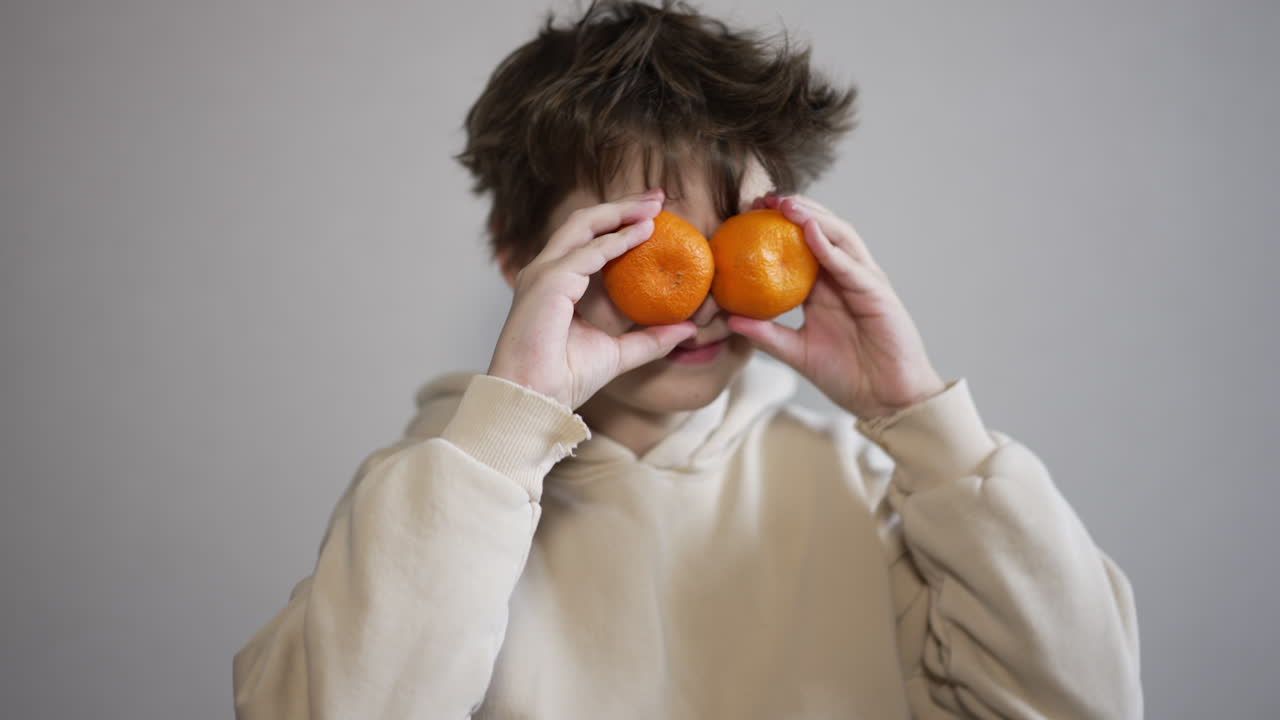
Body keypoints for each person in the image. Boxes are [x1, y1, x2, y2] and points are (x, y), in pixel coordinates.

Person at [232, 2, 1142, 717]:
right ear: (520, 254)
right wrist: (500, 443)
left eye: (734, 240)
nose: (704, 287)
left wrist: (924, 420)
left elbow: (1085, 705)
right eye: (647, 240)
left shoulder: (875, 495)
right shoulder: (432, 502)